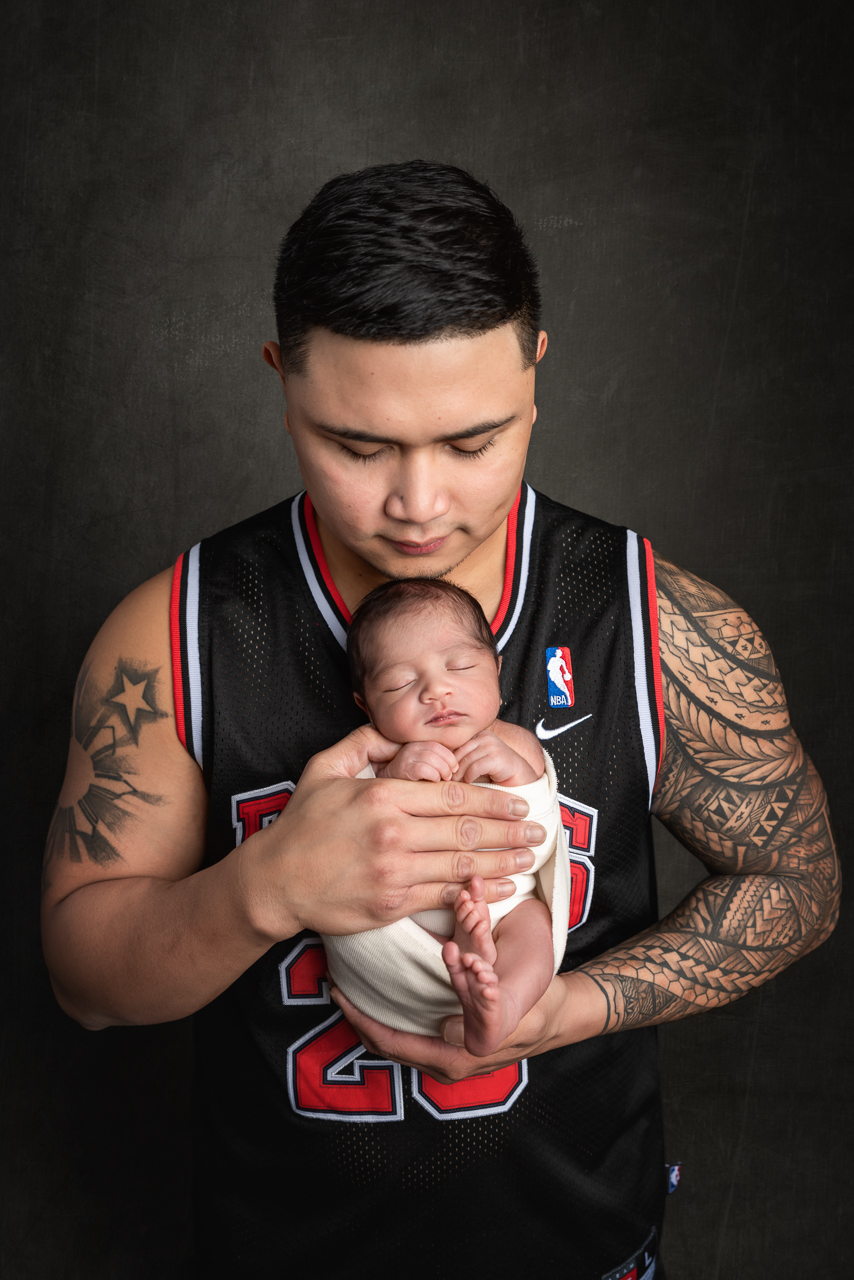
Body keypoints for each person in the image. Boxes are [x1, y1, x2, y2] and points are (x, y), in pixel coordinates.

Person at [41, 161, 839, 1279]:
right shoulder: (171, 634)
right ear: (279, 381)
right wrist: (267, 884)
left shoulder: (653, 620)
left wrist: (567, 1004)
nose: (417, 502)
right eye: (357, 446)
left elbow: (797, 881)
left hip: (581, 1245)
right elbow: (84, 979)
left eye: (471, 442)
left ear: (535, 372)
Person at [323, 576, 570, 1056]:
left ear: (497, 671)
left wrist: (516, 774)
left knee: (534, 926)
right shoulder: (372, 760)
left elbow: (539, 846)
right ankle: (465, 957)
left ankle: (502, 1006)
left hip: (505, 910)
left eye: (460, 666)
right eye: (400, 682)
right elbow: (343, 842)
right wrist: (392, 776)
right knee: (351, 907)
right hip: (407, 923)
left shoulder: (515, 746)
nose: (437, 690)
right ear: (366, 705)